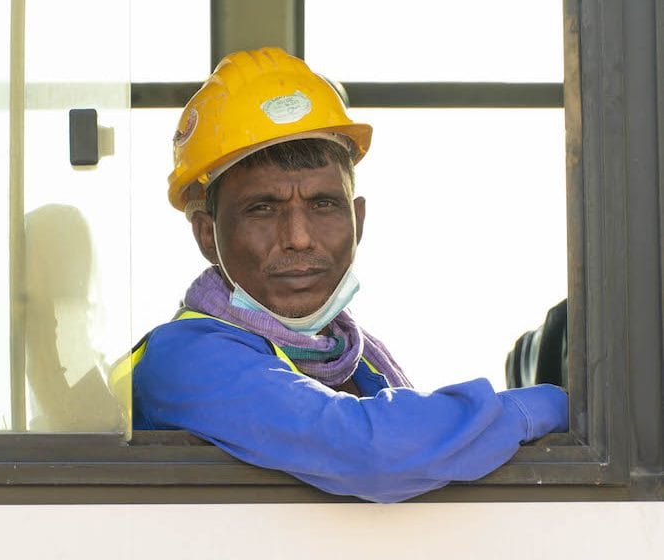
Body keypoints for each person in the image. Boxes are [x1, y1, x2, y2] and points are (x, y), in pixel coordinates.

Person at [118, 47, 568, 503]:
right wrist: (563, 404)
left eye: (323, 205)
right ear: (206, 234)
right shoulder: (184, 358)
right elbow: (373, 452)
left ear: (358, 221)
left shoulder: (357, 355)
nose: (298, 238)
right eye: (263, 209)